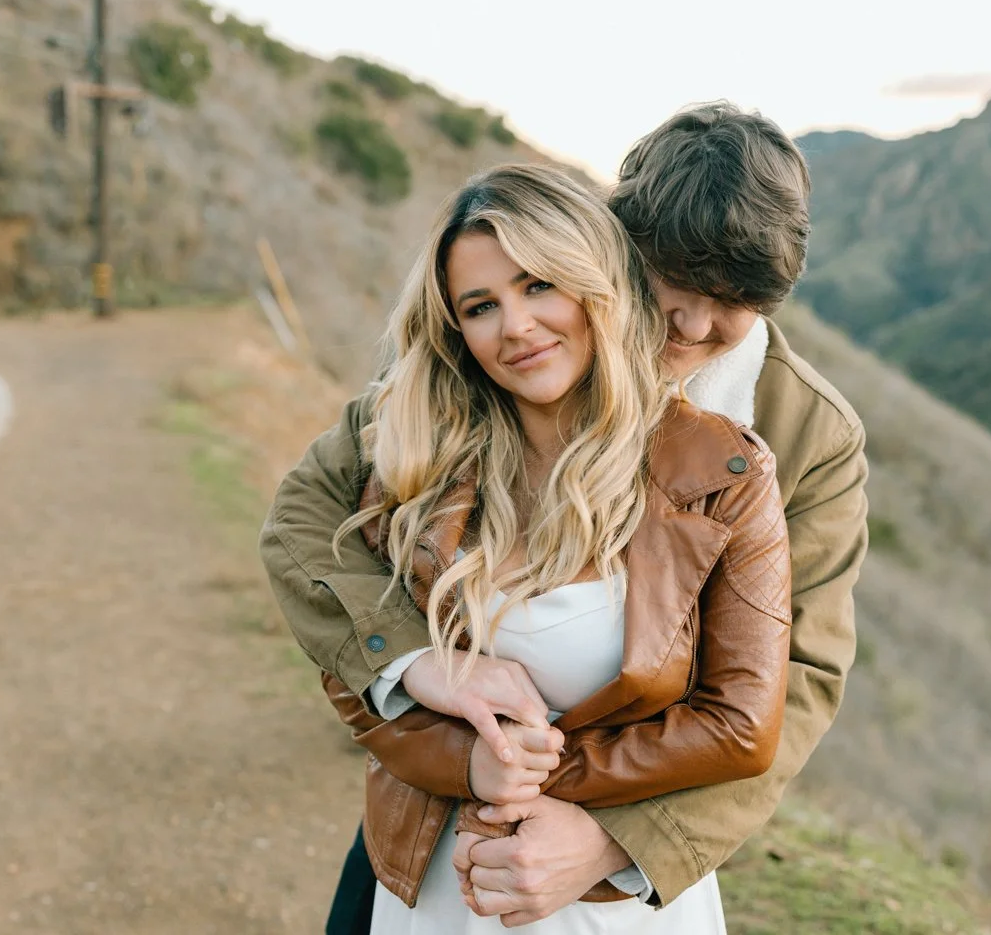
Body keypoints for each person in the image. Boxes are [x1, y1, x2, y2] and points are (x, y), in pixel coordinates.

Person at [261, 102, 868, 932]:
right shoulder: (484, 376)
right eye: (672, 284)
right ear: (606, 250)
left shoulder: (799, 435)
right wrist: (412, 662)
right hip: (439, 815)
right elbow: (305, 514)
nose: (692, 324)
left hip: (633, 845)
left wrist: (614, 842)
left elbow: (794, 684)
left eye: (733, 301)